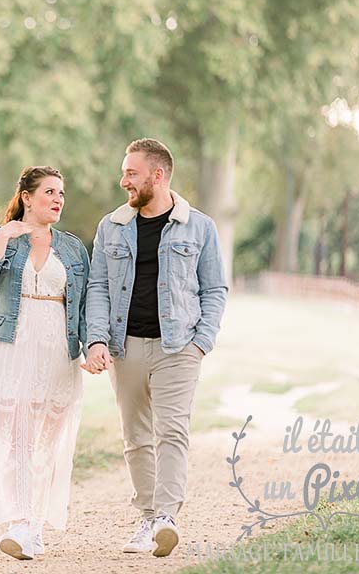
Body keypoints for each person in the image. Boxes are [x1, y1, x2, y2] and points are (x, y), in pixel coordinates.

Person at [81, 138, 228, 558]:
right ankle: (147, 518)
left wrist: (201, 342)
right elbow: (98, 287)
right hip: (123, 348)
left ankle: (166, 517)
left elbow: (215, 288)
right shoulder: (112, 226)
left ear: (157, 175)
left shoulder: (199, 226)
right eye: (124, 171)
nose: (123, 179)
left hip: (178, 347)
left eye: (131, 172)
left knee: (172, 432)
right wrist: (95, 339)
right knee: (135, 437)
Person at [0, 165, 92, 560]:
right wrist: (3, 237)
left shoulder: (72, 248)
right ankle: (19, 522)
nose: (58, 200)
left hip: (57, 349)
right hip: (8, 347)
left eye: (61, 194)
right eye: (50, 192)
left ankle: (33, 526)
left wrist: (92, 345)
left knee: (45, 444)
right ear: (27, 197)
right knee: (13, 438)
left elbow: (85, 303)